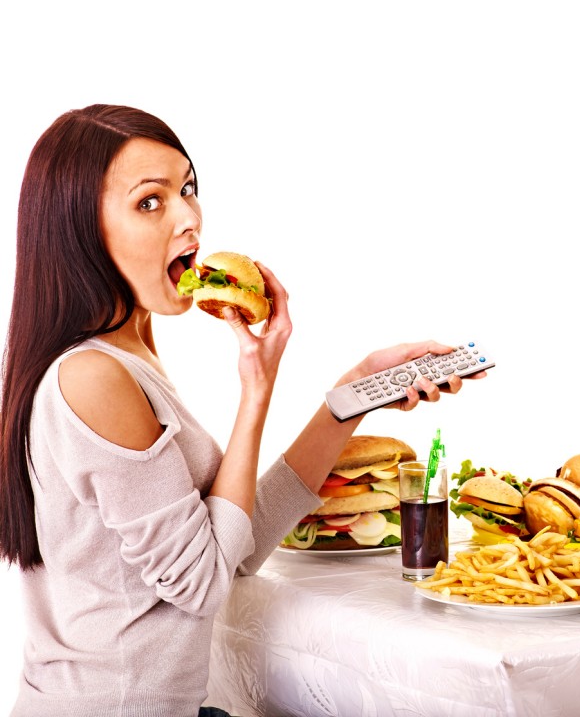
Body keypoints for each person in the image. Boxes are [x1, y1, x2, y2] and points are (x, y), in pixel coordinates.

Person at [0, 104, 480, 717]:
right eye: (150, 202)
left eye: (187, 190)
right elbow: (202, 585)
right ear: (80, 230)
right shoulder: (94, 377)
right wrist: (256, 391)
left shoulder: (131, 356)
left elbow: (234, 547)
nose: (188, 219)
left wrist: (354, 395)